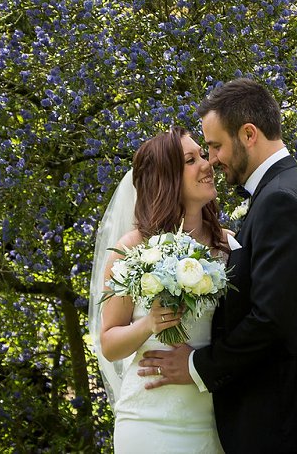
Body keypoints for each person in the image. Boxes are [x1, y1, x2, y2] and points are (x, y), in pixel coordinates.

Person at [138, 79, 297, 453]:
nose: (212, 159)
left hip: (286, 421)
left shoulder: (281, 201)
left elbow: (271, 318)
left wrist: (196, 366)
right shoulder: (288, 190)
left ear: (249, 134)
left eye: (216, 146)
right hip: (294, 417)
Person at [88, 127, 240, 453]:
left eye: (203, 154)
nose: (206, 163)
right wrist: (150, 324)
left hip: (212, 419)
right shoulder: (131, 249)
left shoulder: (227, 245)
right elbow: (109, 343)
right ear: (166, 178)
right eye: (190, 160)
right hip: (148, 419)